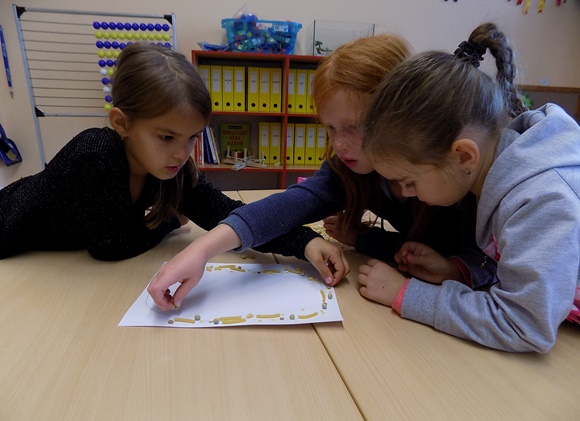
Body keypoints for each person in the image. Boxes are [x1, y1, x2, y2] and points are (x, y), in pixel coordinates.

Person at [148, 34, 496, 309]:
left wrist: (453, 267)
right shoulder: (351, 169)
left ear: (398, 117)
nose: (340, 145)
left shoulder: (454, 174)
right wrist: (200, 251)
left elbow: (492, 263)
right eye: (330, 128)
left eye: (355, 127)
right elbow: (291, 205)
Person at [0, 43, 345, 286]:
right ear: (122, 123)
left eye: (192, 137)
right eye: (167, 137)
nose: (182, 153)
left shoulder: (168, 169)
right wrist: (170, 222)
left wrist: (304, 243)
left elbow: (227, 214)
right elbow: (110, 246)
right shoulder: (94, 154)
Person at [359, 22, 580, 352]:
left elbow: (523, 324)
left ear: (463, 155)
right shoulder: (500, 171)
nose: (404, 194)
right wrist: (459, 270)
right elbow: (519, 268)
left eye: (409, 181)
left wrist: (408, 294)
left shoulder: (542, 199)